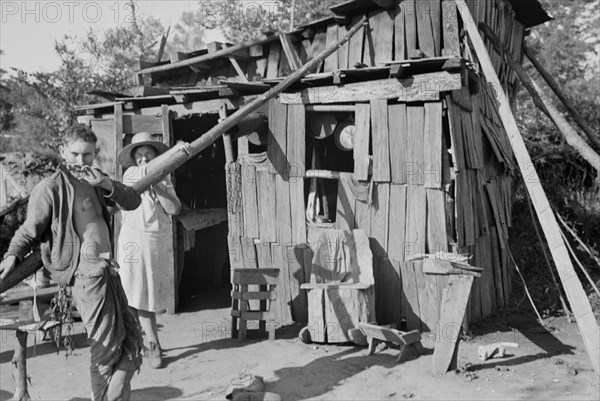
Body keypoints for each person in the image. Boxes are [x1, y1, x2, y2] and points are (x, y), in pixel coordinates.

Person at [0, 124, 144, 401]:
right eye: (75, 154)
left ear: (95, 153)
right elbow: (29, 229)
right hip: (85, 273)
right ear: (62, 151)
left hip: (108, 268)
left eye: (87, 155)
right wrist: (12, 254)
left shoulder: (95, 181)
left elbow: (133, 201)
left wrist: (105, 183)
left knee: (132, 341)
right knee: (106, 349)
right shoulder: (50, 187)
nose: (81, 161)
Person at [116, 132, 182, 369]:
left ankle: (148, 340)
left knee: (148, 294)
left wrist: (159, 187)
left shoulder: (165, 179)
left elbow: (174, 208)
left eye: (148, 155)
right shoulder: (131, 174)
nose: (144, 160)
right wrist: (177, 151)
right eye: (140, 156)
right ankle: (149, 341)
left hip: (154, 239)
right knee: (130, 291)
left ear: (156, 156)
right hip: (132, 239)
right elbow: (142, 177)